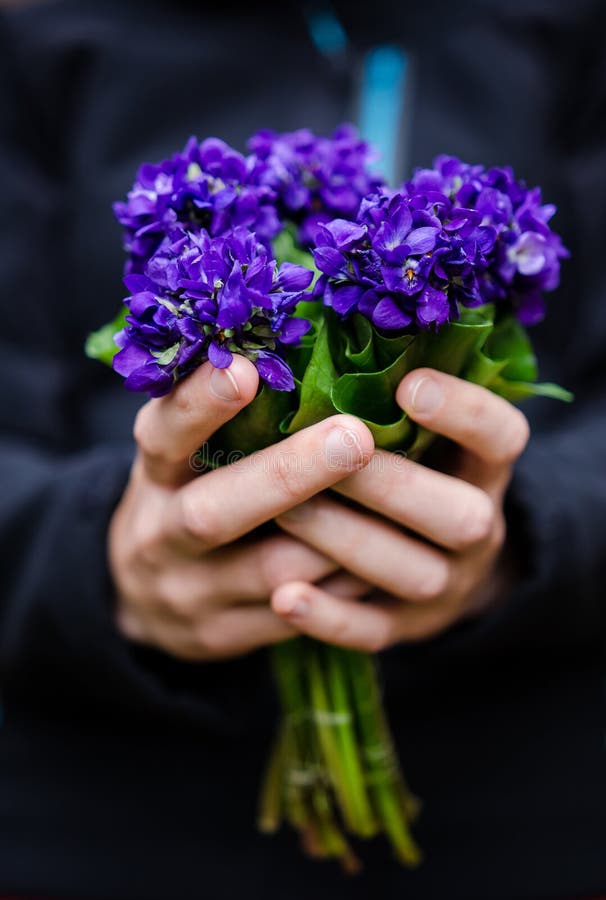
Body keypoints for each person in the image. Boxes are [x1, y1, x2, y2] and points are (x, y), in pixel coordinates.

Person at [0, 1, 605, 898]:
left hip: (530, 796)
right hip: (103, 807)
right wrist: (97, 561)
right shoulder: (35, 36)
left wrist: (526, 536)